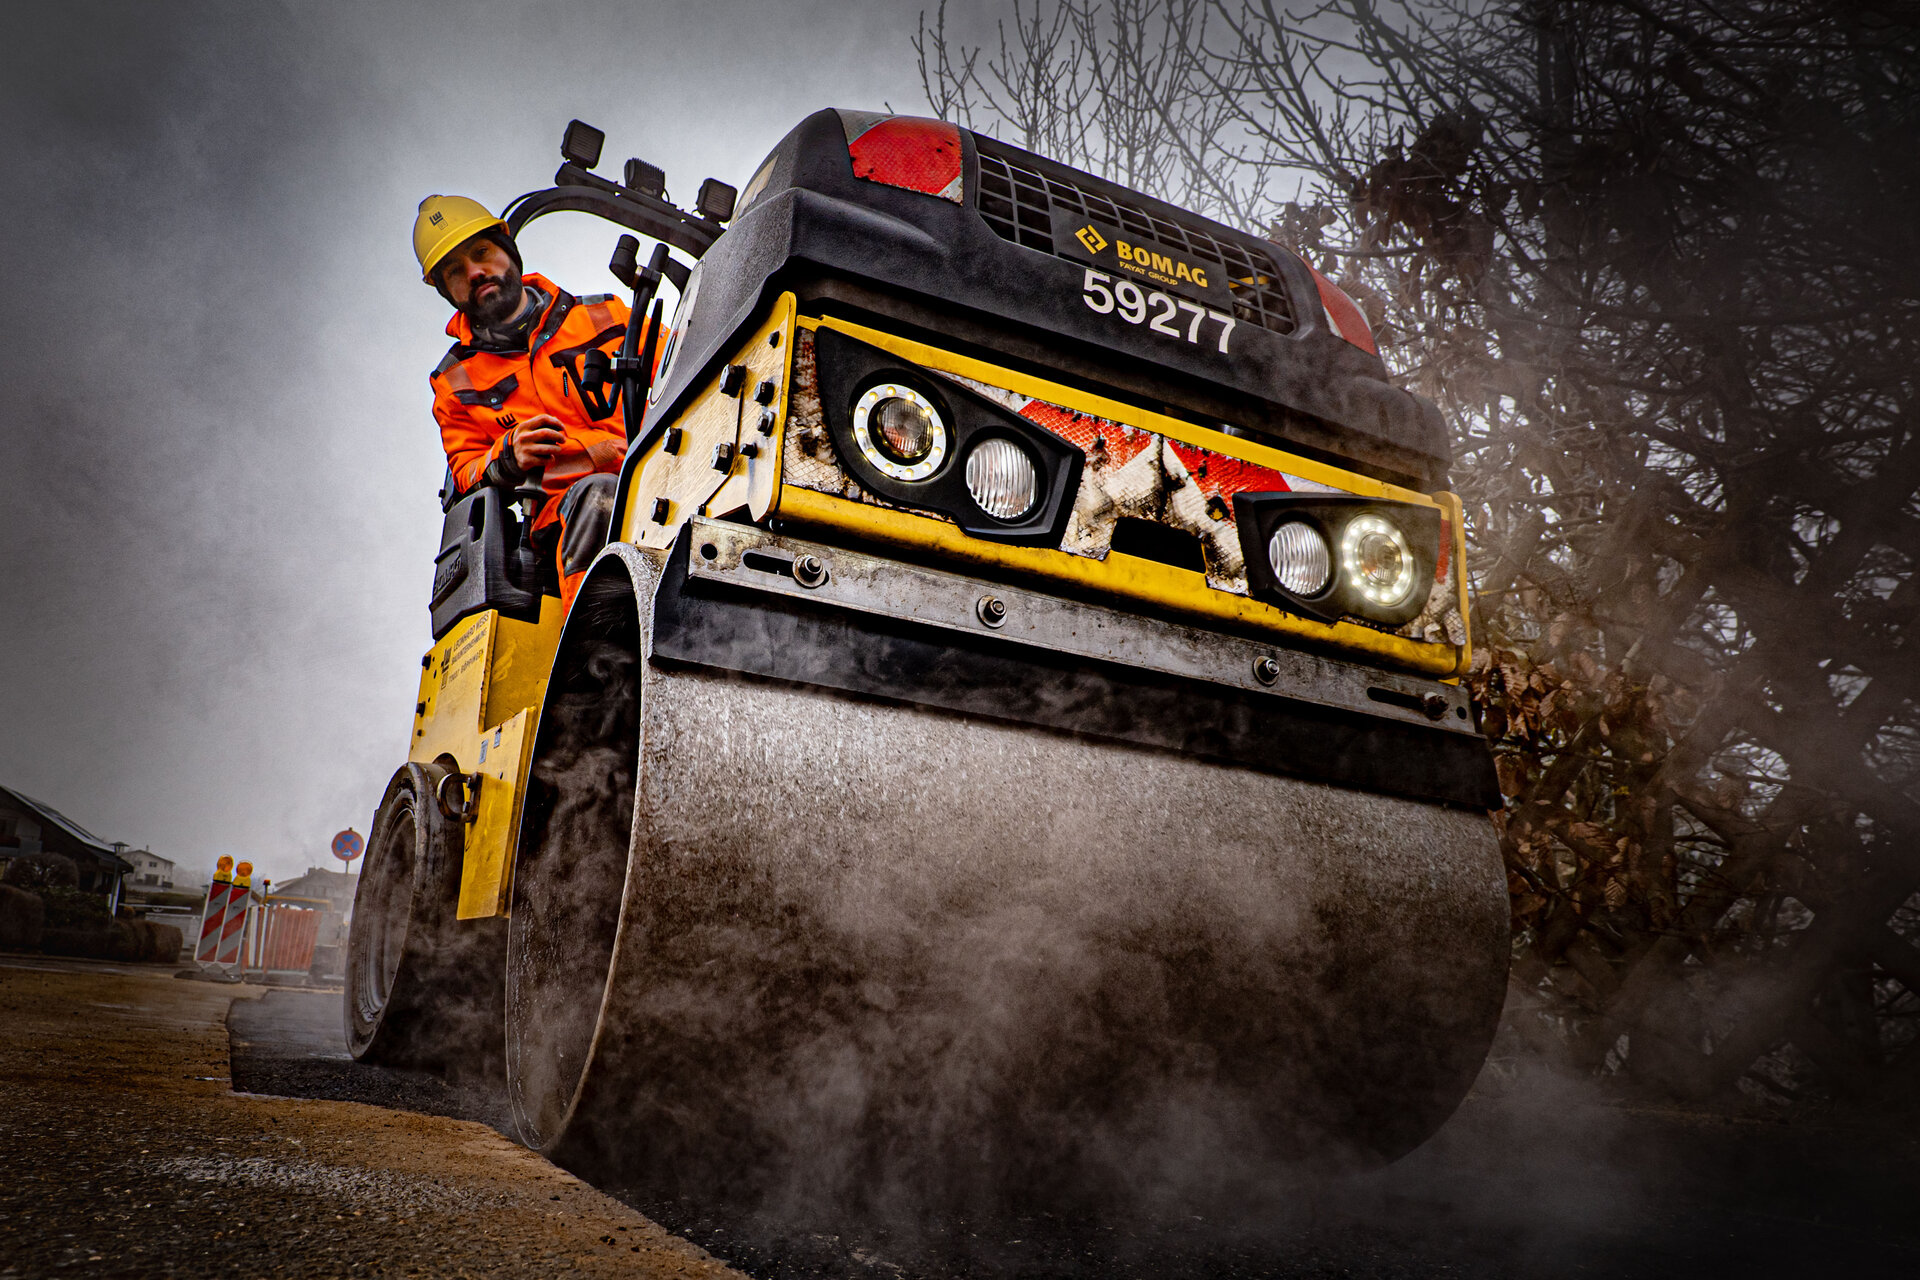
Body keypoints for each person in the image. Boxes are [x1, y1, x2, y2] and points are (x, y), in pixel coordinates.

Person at [412, 194, 646, 614]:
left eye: (481, 253)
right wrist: (508, 453)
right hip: (562, 519)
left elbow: (690, 361)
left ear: (507, 250)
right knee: (599, 497)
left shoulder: (609, 317)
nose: (476, 272)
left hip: (661, 477)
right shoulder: (454, 382)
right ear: (445, 290)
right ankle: (598, 652)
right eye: (455, 271)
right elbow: (464, 471)